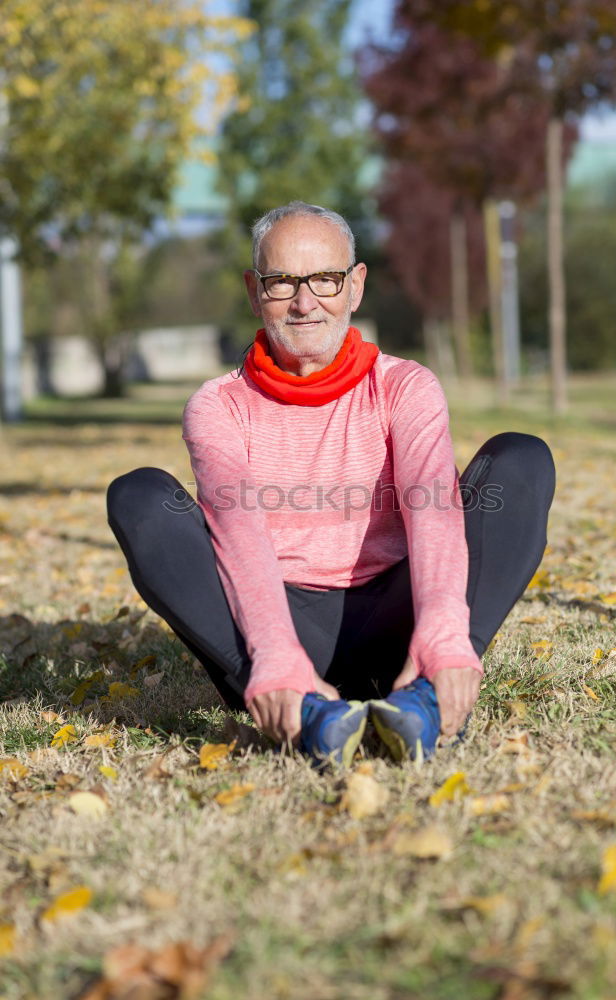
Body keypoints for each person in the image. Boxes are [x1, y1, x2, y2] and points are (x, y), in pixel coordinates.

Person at [107, 201, 555, 767]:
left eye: (324, 278)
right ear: (253, 291)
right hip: (273, 637)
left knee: (521, 459)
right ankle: (303, 708)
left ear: (355, 286)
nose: (304, 301)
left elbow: (434, 511)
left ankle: (429, 694)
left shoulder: (405, 386)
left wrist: (442, 630)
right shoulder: (217, 407)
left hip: (399, 618)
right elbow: (238, 536)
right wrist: (273, 655)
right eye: (281, 282)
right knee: (138, 494)